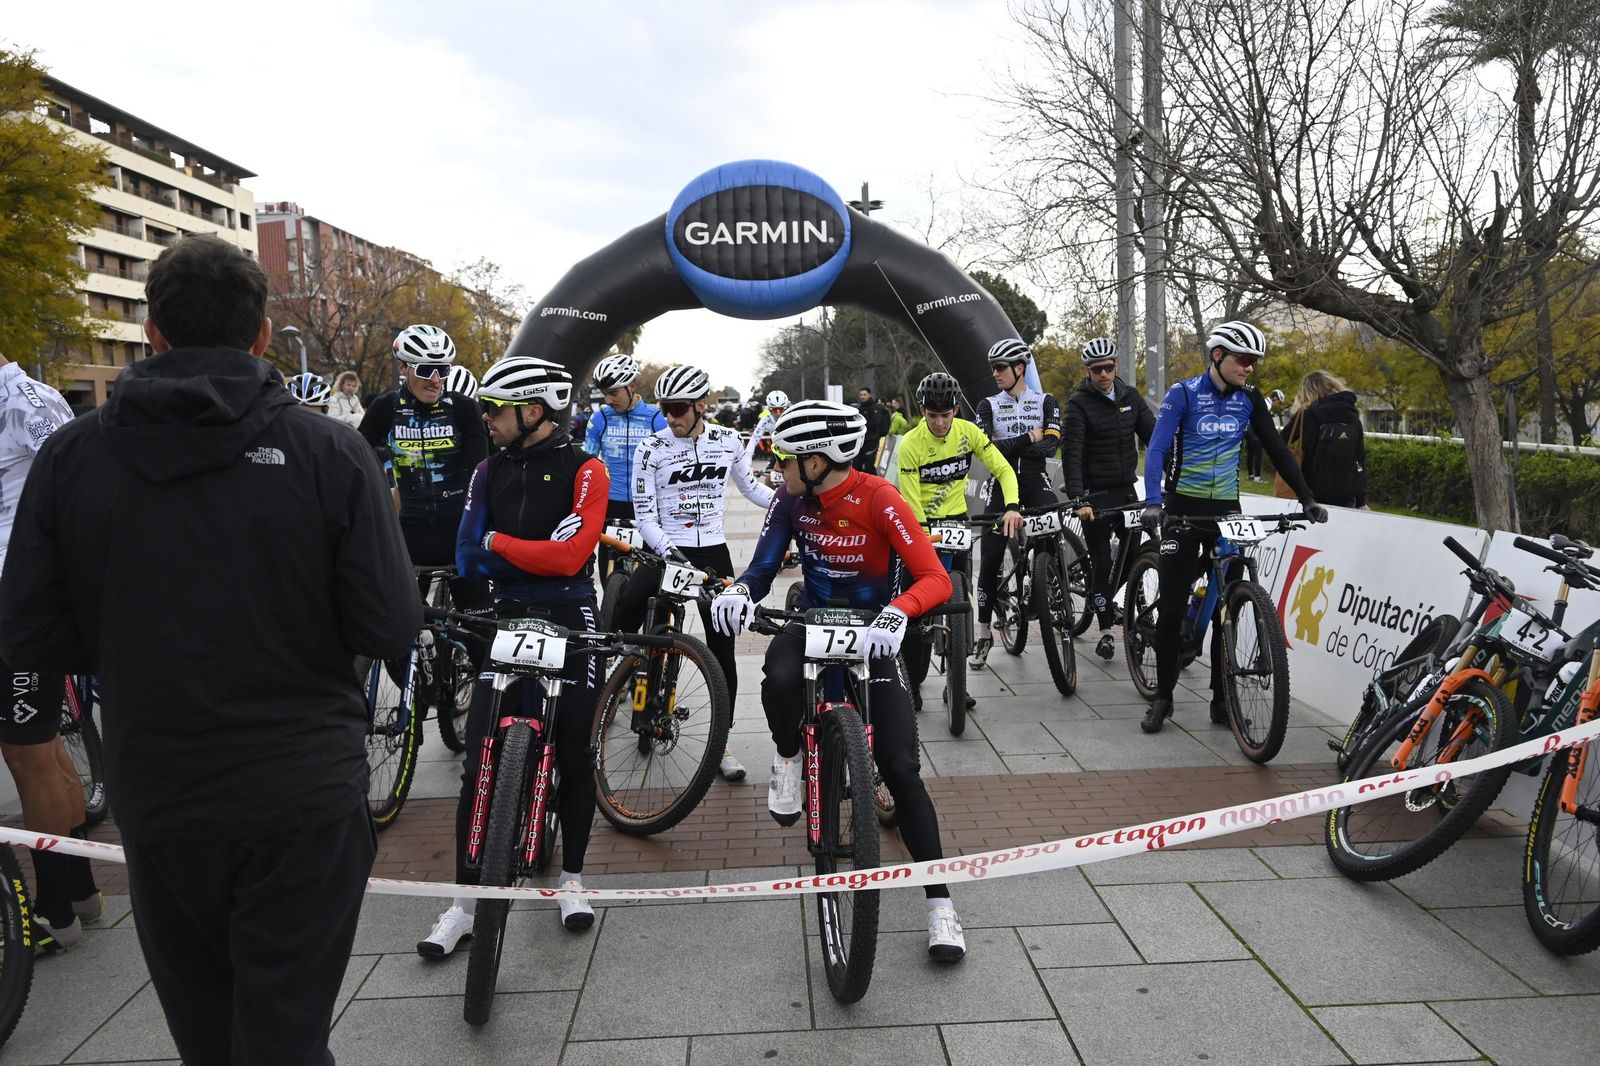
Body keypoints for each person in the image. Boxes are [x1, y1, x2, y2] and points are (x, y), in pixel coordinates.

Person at [0, 234, 420, 1065]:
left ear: (151, 331)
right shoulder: (327, 451)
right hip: (301, 791)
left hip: (161, 791)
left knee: (210, 1037)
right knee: (285, 1033)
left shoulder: (73, 456)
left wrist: (136, 636)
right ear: (263, 333)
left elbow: (30, 631)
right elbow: (390, 625)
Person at [709, 400, 967, 962]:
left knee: (900, 767)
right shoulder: (790, 501)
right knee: (776, 674)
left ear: (820, 460)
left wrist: (900, 610)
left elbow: (935, 578)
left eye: (786, 458)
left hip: (875, 629)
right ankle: (787, 759)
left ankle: (940, 904)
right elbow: (763, 566)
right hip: (815, 620)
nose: (777, 469)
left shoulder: (880, 498)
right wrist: (739, 591)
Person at [418, 354, 609, 956]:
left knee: (576, 752)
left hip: (572, 610)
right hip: (509, 611)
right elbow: (469, 558)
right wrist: (518, 547)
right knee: (481, 760)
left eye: (495, 409)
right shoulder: (484, 472)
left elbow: (573, 559)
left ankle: (572, 880)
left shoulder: (587, 470)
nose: (486, 418)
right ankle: (463, 905)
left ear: (533, 411)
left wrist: (499, 540)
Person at [1139, 321, 1328, 734]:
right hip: (1183, 511)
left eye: (1254, 361)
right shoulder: (1183, 394)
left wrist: (1306, 496)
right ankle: (1164, 697)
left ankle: (1221, 699)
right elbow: (1155, 449)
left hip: (1227, 511)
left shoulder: (1249, 399)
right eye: (1244, 360)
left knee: (1229, 605)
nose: (1250, 368)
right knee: (1171, 610)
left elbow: (1277, 449)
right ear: (1218, 356)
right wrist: (1154, 501)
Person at [610, 365, 774, 781]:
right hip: (665, 548)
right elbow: (644, 514)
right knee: (629, 604)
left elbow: (753, 489)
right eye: (665, 408)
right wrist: (669, 552)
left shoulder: (728, 441)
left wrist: (793, 506)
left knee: (723, 647)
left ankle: (723, 741)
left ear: (702, 405)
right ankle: (623, 672)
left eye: (679, 409)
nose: (671, 417)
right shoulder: (651, 448)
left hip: (712, 551)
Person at [0, 354, 102, 954]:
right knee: (38, 751)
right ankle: (80, 889)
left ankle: (56, 910)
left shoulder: (26, 402)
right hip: (21, 595)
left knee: (28, 751)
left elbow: (78, 481)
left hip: (19, 596)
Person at [1061, 337, 1155, 661]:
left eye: (1109, 368)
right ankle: (1104, 630)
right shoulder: (1078, 404)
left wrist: (1176, 470)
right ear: (1087, 371)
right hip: (1094, 494)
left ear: (1116, 367)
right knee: (1102, 560)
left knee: (1131, 559)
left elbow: (1153, 438)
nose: (1104, 374)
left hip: (1125, 489)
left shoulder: (1129, 397)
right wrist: (1078, 499)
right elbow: (1071, 455)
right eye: (1097, 369)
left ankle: (1103, 598)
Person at [971, 339, 1061, 669]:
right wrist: (1029, 438)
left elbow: (1051, 447)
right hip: (1000, 486)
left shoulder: (1046, 402)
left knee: (1053, 529)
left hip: (1037, 481)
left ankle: (1045, 585)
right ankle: (983, 632)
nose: (994, 373)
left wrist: (1009, 444)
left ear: (1019, 368)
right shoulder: (987, 406)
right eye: (993, 367)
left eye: (1000, 368)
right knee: (991, 557)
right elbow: (986, 453)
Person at [584, 353, 667, 576]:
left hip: (648, 504)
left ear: (632, 386)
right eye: (604, 394)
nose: (608, 400)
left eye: (614, 393)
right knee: (607, 572)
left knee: (647, 579)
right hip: (611, 503)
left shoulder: (656, 417)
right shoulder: (600, 417)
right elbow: (586, 461)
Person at [1286, 371, 1367, 508]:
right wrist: (1361, 501)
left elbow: (1280, 442)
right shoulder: (1352, 416)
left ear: (1307, 392)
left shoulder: (1306, 415)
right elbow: (1360, 461)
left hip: (1310, 494)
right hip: (1346, 496)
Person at [853, 386, 891, 472]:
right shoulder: (860, 408)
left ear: (869, 395)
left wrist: (863, 420)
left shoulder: (874, 408)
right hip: (861, 441)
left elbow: (874, 424)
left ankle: (876, 484)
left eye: (864, 394)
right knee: (856, 466)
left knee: (868, 467)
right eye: (861, 394)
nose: (862, 396)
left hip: (871, 441)